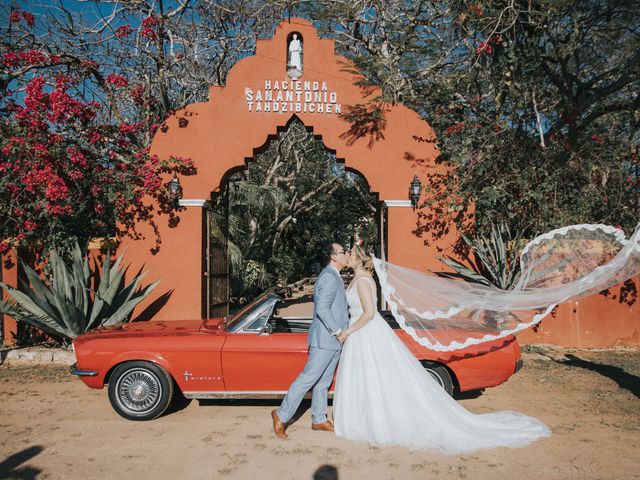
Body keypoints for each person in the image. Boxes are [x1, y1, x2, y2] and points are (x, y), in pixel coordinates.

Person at [333, 246, 551, 453]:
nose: (348, 256)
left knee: (372, 376)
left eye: (351, 253)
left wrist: (348, 331)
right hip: (363, 333)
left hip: (364, 332)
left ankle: (374, 421)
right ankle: (369, 417)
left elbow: (369, 313)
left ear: (360, 258)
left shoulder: (362, 281)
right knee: (371, 377)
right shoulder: (358, 279)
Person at [271, 243, 350, 438]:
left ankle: (319, 419)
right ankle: (281, 414)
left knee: (323, 382)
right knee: (308, 379)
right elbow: (322, 309)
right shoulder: (329, 278)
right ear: (333, 257)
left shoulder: (334, 276)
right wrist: (339, 331)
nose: (346, 254)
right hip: (326, 339)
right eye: (343, 252)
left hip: (333, 341)